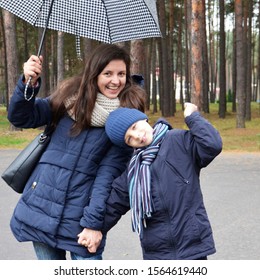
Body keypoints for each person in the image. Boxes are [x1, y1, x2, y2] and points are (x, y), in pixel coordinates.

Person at [7, 43, 146, 260]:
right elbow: (21, 117)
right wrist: (28, 83)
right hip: (40, 208)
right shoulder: (69, 98)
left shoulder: (125, 117)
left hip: (82, 221)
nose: (115, 81)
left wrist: (93, 224)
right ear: (94, 73)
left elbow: (107, 177)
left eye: (121, 74)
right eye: (107, 73)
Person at [93, 103, 222, 260]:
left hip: (191, 243)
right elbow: (115, 203)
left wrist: (192, 117)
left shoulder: (177, 140)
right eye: (129, 139)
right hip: (157, 251)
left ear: (144, 119)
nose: (137, 136)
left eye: (134, 127)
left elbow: (212, 145)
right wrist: (94, 228)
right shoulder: (133, 169)